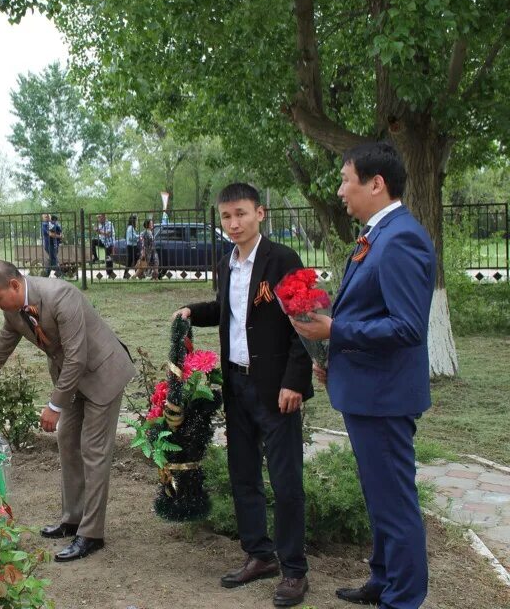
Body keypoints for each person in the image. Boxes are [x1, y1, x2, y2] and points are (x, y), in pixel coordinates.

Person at [291, 143, 434, 609]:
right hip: (366, 389)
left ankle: (404, 598)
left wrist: (336, 329)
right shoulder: (376, 234)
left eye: (346, 179)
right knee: (379, 497)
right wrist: (333, 351)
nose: (340, 190)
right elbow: (369, 307)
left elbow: (408, 326)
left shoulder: (402, 238)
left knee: (394, 503)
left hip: (385, 396)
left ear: (376, 184)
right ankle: (384, 579)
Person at [173, 182, 312, 607]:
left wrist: (294, 381)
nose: (233, 224)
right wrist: (192, 313)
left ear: (260, 214)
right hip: (236, 384)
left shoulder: (284, 259)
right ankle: (259, 554)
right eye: (226, 217)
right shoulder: (225, 263)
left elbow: (306, 321)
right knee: (243, 473)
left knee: (286, 480)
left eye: (241, 214)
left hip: (275, 388)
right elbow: (227, 310)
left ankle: (293, 569)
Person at [0, 261, 134, 562]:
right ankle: (73, 519)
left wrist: (54, 405)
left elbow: (76, 356)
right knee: (68, 443)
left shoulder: (61, 296)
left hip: (103, 374)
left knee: (93, 451)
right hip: (72, 381)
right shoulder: (13, 312)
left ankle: (91, 534)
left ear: (15, 286)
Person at [90, 213, 117, 278]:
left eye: (100, 217)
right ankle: (96, 257)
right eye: (98, 218)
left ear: (104, 217)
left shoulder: (109, 224)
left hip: (109, 243)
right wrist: (96, 229)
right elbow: (99, 232)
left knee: (108, 259)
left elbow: (108, 234)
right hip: (103, 241)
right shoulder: (100, 225)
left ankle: (111, 275)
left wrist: (99, 231)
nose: (98, 219)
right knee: (93, 241)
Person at [124, 214, 139, 279]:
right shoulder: (130, 228)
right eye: (136, 220)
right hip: (131, 246)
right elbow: (131, 238)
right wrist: (138, 236)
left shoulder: (131, 227)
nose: (137, 221)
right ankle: (125, 275)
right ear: (134, 220)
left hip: (133, 246)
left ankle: (137, 275)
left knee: (135, 260)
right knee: (130, 261)